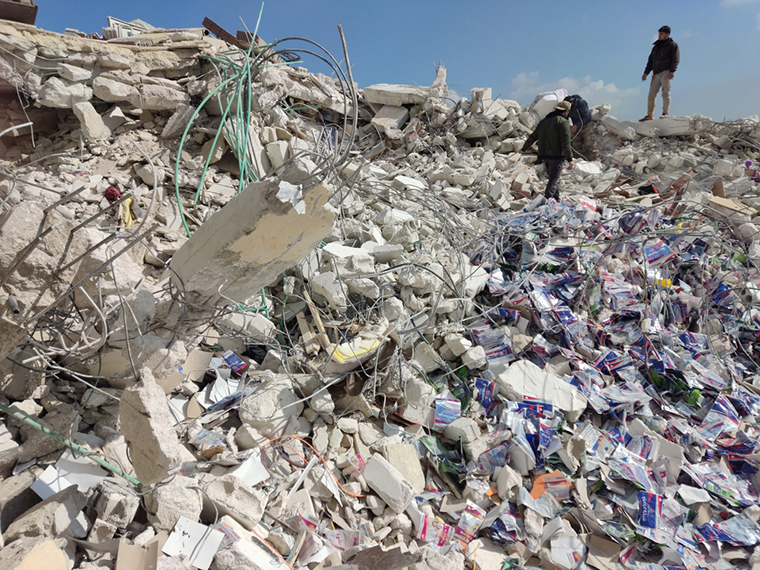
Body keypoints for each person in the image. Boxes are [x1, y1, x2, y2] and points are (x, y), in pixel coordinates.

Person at [520, 100, 574, 201]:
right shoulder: (562, 122)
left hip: (544, 156)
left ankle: (556, 200)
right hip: (556, 156)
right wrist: (570, 159)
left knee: (554, 179)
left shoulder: (544, 121)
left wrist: (523, 148)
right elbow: (566, 142)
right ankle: (545, 201)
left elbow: (533, 136)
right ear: (566, 111)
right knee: (554, 179)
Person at [640, 25, 680, 121]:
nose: (659, 35)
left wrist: (673, 70)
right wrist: (646, 73)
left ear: (667, 34)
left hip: (666, 71)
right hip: (656, 73)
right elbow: (650, 61)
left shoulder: (672, 45)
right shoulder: (655, 47)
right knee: (651, 94)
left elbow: (676, 58)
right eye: (659, 33)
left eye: (661, 34)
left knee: (665, 93)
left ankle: (665, 113)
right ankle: (649, 115)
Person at [564, 94, 599, 161]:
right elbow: (566, 117)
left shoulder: (581, 103)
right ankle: (579, 160)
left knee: (590, 141)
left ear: (572, 102)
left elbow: (586, 116)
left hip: (586, 124)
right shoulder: (568, 108)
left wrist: (577, 125)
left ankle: (596, 159)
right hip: (576, 127)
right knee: (575, 143)